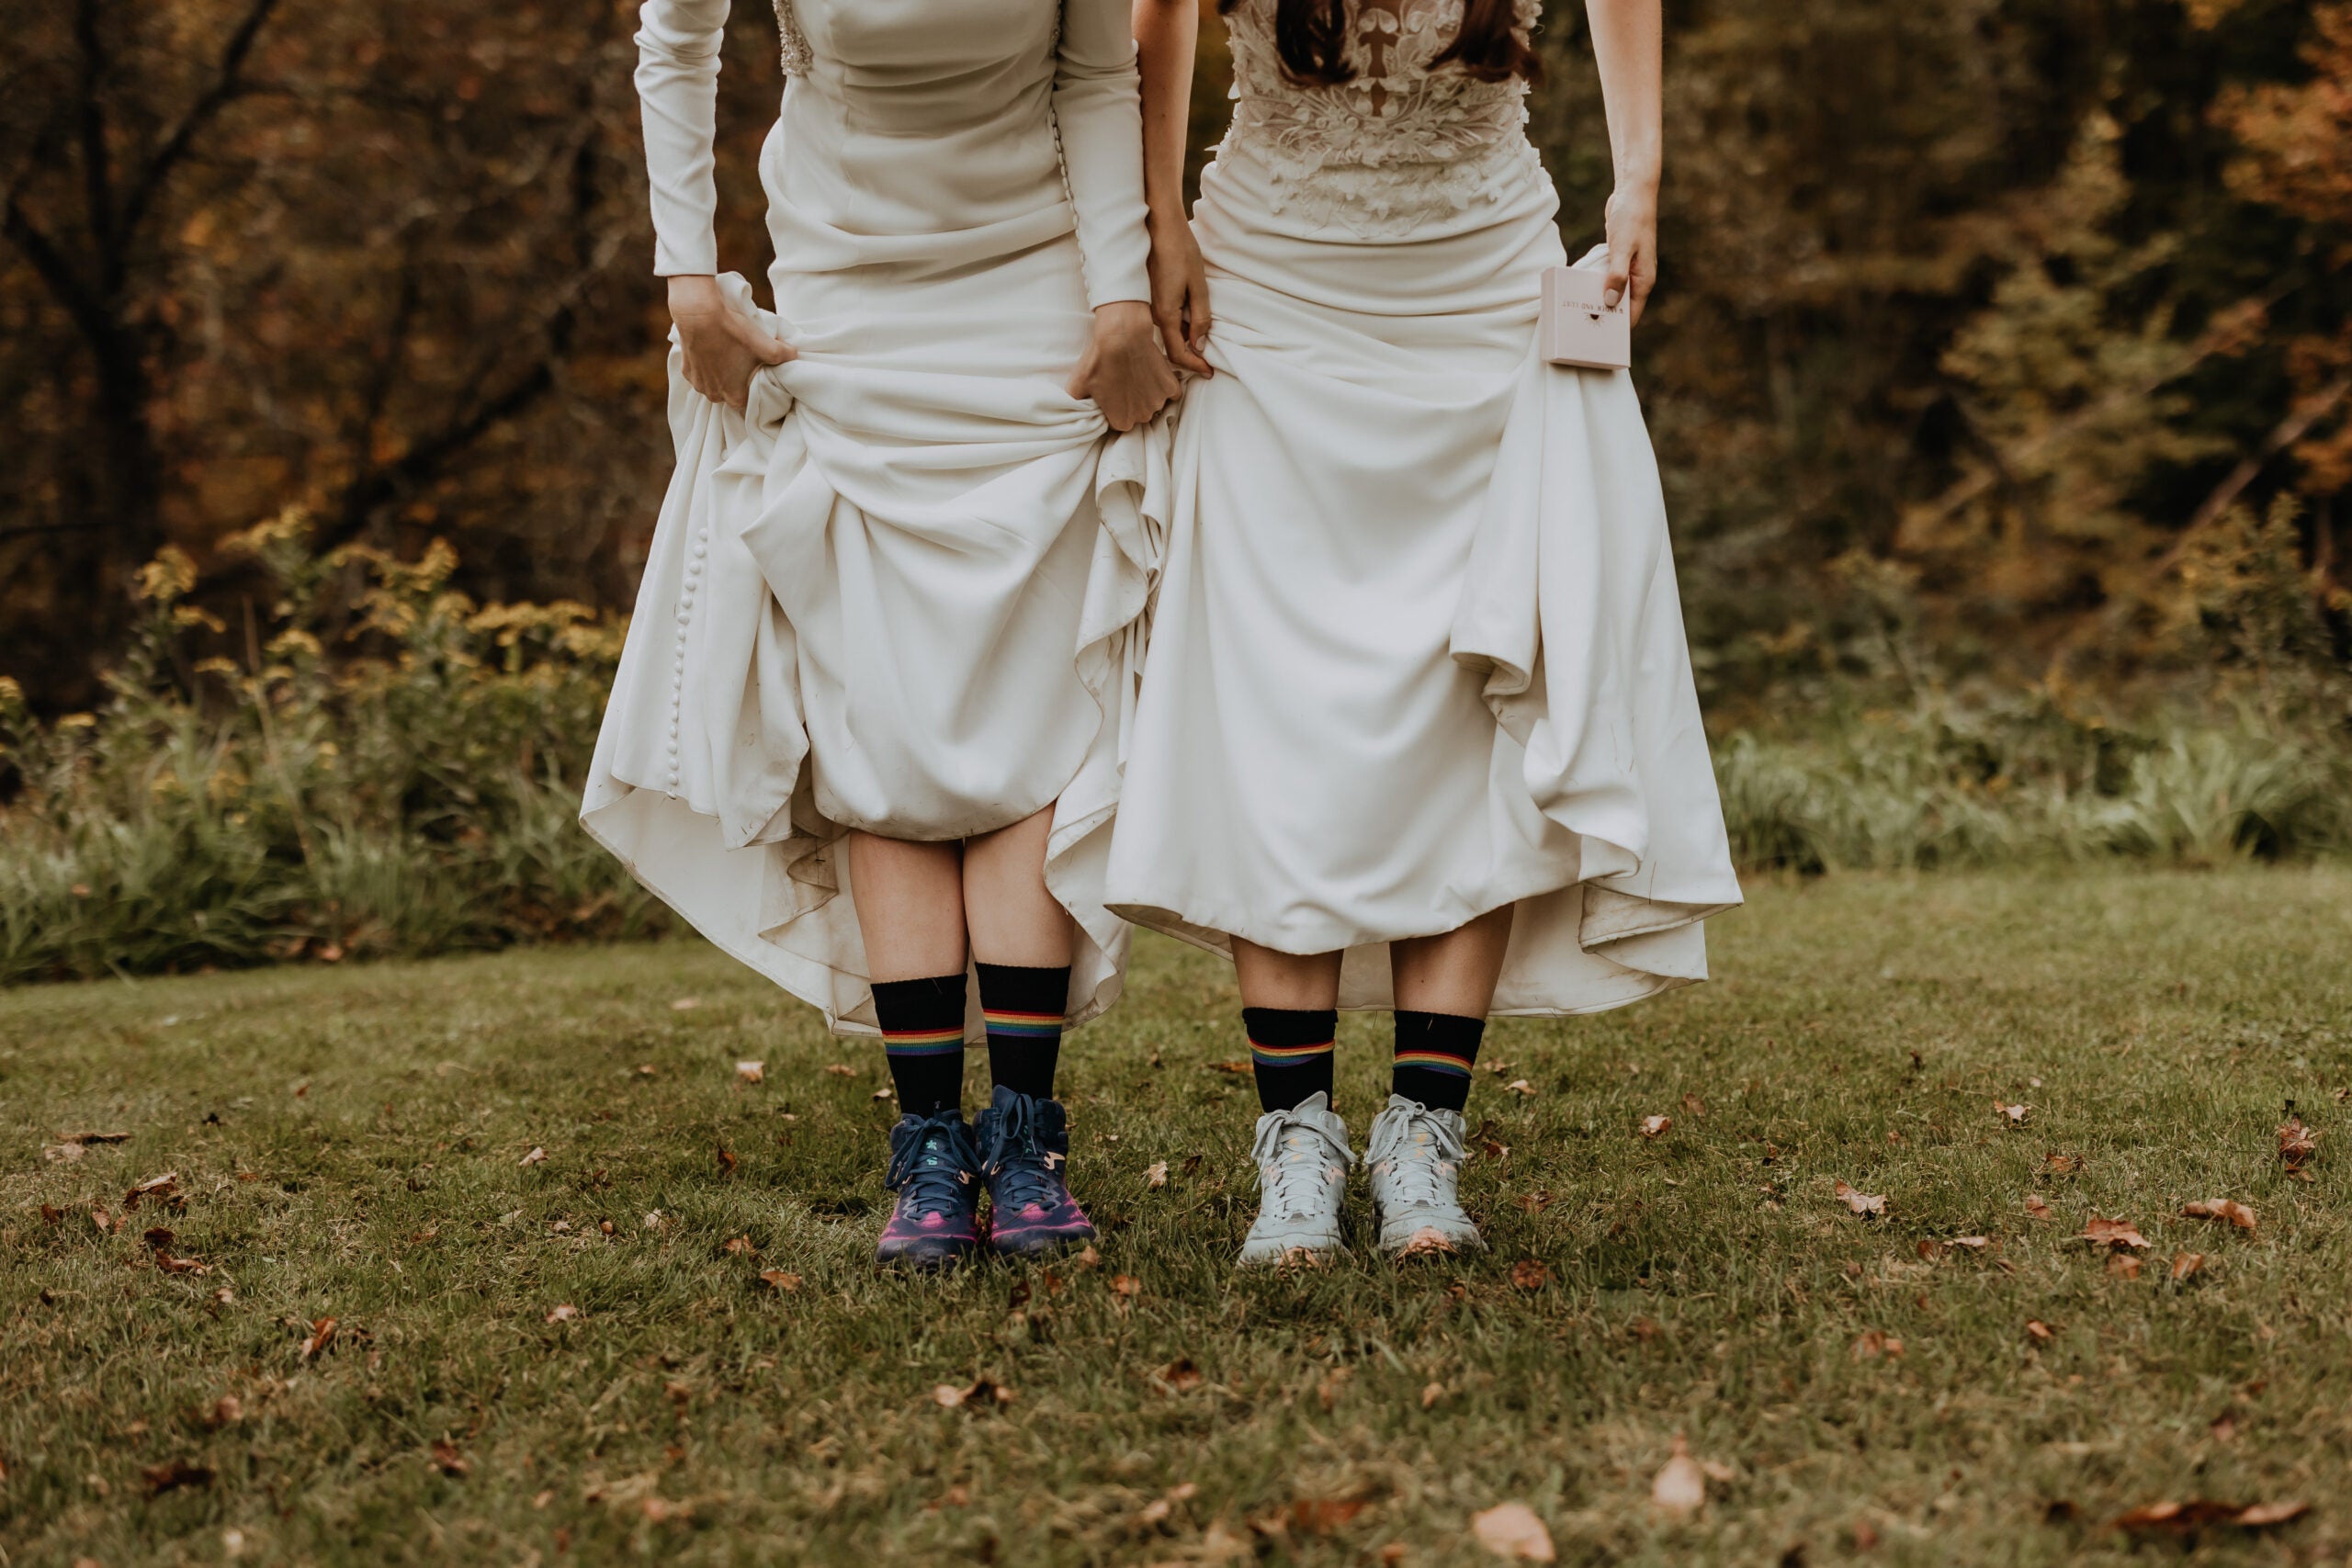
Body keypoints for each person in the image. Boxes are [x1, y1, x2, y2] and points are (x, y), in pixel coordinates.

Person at [1110, 0, 1743, 1265]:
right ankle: (1294, 1138)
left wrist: (1640, 179)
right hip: (1270, 290)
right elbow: (1155, 15)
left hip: (1483, 285)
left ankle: (1421, 1135)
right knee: (1276, 710)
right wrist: (1158, 214)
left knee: (1471, 705)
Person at [582, 0, 1180, 1271]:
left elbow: (1095, 70)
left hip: (1035, 301)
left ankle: (1024, 1136)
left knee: (1032, 710)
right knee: (879, 718)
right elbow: (676, 36)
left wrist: (1120, 294)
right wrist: (687, 277)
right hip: (849, 312)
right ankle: (924, 1142)